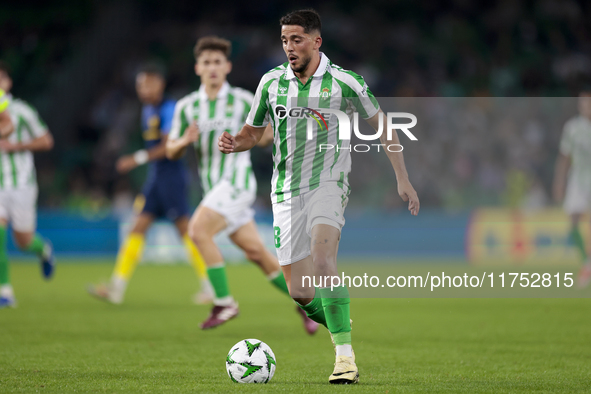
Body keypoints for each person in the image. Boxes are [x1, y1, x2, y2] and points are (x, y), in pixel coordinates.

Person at [218, 9, 420, 384]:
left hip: (329, 184)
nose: (289, 47)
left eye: (296, 39)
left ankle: (345, 360)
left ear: (316, 41)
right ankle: (341, 323)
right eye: (284, 40)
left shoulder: (346, 82)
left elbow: (384, 126)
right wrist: (235, 142)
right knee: (299, 291)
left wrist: (402, 178)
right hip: (285, 192)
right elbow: (252, 132)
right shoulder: (271, 83)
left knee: (324, 260)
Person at [166, 36, 318, 334]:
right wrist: (185, 140)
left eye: (217, 62)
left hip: (236, 183)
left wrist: (245, 138)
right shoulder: (187, 107)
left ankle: (224, 303)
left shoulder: (243, 100)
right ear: (198, 68)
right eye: (207, 62)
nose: (212, 67)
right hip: (214, 188)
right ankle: (308, 306)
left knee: (197, 231)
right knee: (257, 254)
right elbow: (171, 149)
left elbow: (270, 134)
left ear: (228, 67)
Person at [88, 65, 213, 304]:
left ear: (160, 84)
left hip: (172, 177)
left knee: (187, 232)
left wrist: (137, 158)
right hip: (156, 178)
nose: (143, 90)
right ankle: (116, 287)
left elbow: (169, 146)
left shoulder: (168, 109)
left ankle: (210, 286)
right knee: (137, 228)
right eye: (140, 85)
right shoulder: (147, 109)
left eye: (148, 84)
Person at [0, 62, 56, 308]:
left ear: (8, 82)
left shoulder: (22, 110)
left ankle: (43, 249)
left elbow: (46, 141)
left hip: (21, 183)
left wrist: (17, 145)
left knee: (23, 241)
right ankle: (5, 291)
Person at [553, 90, 591, 287]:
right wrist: (559, 182)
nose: (586, 107)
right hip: (578, 178)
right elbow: (564, 156)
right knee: (573, 220)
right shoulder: (573, 128)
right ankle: (587, 262)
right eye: (583, 104)